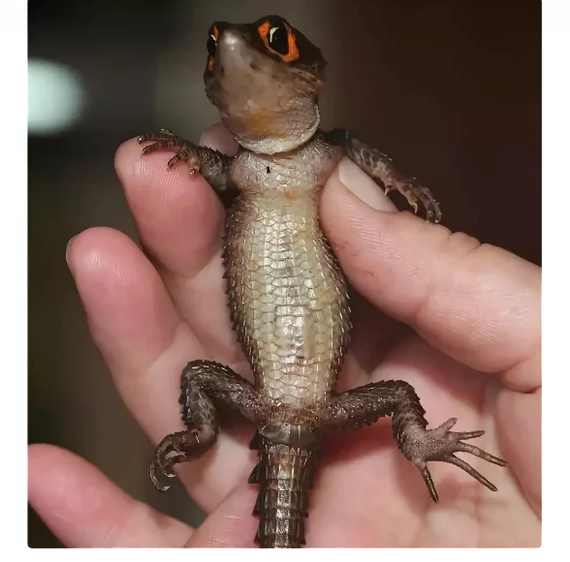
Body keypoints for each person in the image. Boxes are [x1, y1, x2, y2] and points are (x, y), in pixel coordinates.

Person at [28, 125, 541, 547]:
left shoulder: (325, 147)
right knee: (204, 375)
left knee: (208, 375)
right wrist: (189, 154)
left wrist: (390, 177)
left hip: (277, 401)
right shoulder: (239, 166)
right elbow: (213, 168)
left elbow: (352, 147)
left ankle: (412, 440)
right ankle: (202, 434)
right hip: (293, 402)